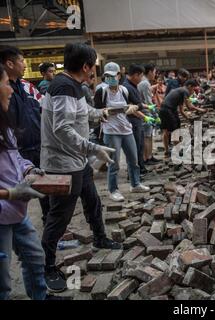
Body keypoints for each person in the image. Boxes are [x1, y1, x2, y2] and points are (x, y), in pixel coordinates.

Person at [40, 43, 122, 293]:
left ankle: (99, 237)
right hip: (63, 163)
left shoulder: (73, 86)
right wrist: (92, 148)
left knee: (92, 200)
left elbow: (82, 111)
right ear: (85, 66)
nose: (93, 72)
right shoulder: (64, 87)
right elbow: (62, 128)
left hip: (76, 160)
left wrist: (100, 114)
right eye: (93, 66)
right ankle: (47, 266)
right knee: (59, 217)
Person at [0, 64, 70, 300]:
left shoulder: (4, 124)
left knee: (34, 256)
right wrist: (9, 193)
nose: (10, 90)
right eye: (5, 84)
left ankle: (40, 296)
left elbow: (14, 156)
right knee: (2, 279)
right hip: (2, 212)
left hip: (17, 212)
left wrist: (28, 167)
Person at [0, 45, 50, 225]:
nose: (24, 65)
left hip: (37, 146)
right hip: (16, 150)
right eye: (21, 61)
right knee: (17, 193)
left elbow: (41, 109)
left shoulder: (27, 87)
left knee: (45, 193)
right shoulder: (3, 92)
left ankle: (50, 231)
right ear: (9, 63)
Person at [94, 61, 150, 202]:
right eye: (108, 76)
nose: (111, 79)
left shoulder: (124, 90)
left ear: (119, 75)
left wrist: (137, 110)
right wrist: (104, 112)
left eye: (113, 76)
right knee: (114, 163)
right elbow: (96, 112)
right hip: (111, 131)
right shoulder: (101, 91)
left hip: (126, 129)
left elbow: (134, 105)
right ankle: (113, 190)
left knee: (134, 159)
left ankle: (135, 184)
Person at [160, 79, 206, 157]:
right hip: (168, 110)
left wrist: (188, 119)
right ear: (190, 86)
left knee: (166, 131)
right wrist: (200, 110)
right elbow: (189, 107)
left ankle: (167, 152)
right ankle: (178, 151)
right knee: (175, 131)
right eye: (194, 89)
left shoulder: (180, 91)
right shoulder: (185, 91)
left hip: (164, 109)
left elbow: (181, 110)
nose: (193, 92)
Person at [122, 64, 149, 175]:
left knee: (140, 146)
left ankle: (140, 168)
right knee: (134, 148)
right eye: (141, 76)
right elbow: (131, 107)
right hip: (132, 121)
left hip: (137, 121)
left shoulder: (133, 85)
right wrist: (145, 117)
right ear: (135, 75)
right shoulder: (127, 87)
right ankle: (134, 173)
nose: (141, 79)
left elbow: (138, 104)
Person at [137, 63, 160, 164]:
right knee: (147, 137)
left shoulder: (144, 82)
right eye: (154, 72)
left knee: (149, 136)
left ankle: (149, 156)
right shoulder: (145, 83)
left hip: (145, 112)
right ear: (150, 72)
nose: (155, 74)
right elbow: (148, 102)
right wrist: (155, 115)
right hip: (145, 113)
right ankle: (147, 158)